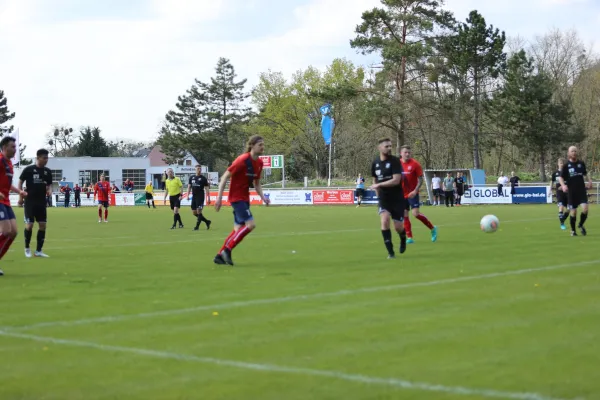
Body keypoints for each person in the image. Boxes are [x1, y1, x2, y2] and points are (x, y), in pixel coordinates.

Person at [213, 135, 270, 266]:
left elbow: (257, 184)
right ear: (252, 146)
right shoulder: (242, 160)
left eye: (263, 144)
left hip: (245, 198)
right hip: (236, 198)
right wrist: (219, 198)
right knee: (250, 225)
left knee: (238, 229)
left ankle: (219, 256)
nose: (262, 147)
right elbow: (224, 177)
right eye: (260, 144)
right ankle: (227, 250)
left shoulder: (259, 163)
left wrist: (263, 198)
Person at [371, 138, 407, 259]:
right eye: (386, 146)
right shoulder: (375, 163)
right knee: (385, 221)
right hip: (384, 198)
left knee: (398, 227)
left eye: (390, 146)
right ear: (379, 148)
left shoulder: (395, 161)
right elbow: (374, 179)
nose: (389, 148)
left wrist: (379, 185)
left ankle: (403, 238)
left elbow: (396, 180)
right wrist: (378, 195)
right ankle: (390, 252)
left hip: (397, 198)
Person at [0, 136, 28, 276]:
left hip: (5, 202)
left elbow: (7, 184)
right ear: (4, 147)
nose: (15, 149)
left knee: (13, 232)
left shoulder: (9, 163)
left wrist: (19, 191)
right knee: (5, 231)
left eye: (15, 147)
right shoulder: (0, 160)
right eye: (13, 147)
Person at [18, 148, 53, 258]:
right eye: (44, 158)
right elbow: (20, 181)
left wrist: (50, 190)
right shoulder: (29, 169)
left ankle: (38, 251)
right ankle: (27, 248)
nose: (46, 160)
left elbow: (49, 184)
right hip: (30, 202)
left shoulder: (47, 171)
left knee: (42, 225)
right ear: (38, 158)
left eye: (47, 158)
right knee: (29, 225)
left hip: (41, 202)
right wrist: (21, 195)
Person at [400, 145, 437, 244]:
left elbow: (420, 179)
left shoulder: (415, 164)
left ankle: (432, 228)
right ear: (401, 153)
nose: (407, 154)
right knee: (405, 215)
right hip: (401, 194)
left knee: (415, 214)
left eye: (409, 152)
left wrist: (415, 190)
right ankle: (409, 237)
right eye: (405, 152)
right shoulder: (397, 164)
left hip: (413, 193)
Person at [559, 146, 593, 236]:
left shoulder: (581, 163)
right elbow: (560, 178)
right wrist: (563, 185)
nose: (574, 152)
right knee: (573, 212)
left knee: (585, 209)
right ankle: (573, 231)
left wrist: (589, 180)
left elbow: (585, 173)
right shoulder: (566, 166)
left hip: (581, 190)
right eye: (572, 151)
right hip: (571, 192)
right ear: (568, 153)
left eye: (575, 151)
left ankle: (581, 225)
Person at [187, 165, 212, 231]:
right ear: (195, 169)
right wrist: (187, 195)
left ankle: (197, 227)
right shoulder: (192, 177)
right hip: (194, 196)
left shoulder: (203, 178)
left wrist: (208, 198)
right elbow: (189, 186)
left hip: (200, 196)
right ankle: (207, 221)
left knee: (199, 211)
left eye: (200, 169)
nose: (199, 170)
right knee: (194, 212)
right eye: (198, 168)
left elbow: (207, 188)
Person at [551, 158, 568, 230]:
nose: (562, 164)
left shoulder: (567, 172)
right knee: (561, 207)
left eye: (562, 163)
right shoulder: (555, 173)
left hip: (567, 192)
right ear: (558, 164)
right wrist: (550, 189)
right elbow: (552, 181)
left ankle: (562, 219)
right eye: (560, 163)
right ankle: (562, 223)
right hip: (559, 193)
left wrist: (565, 186)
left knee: (569, 209)